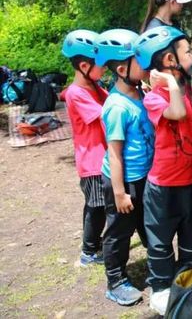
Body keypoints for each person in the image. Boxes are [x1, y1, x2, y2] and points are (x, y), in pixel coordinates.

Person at [134, 26, 192, 315]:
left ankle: (189, 279)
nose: (191, 56)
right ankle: (160, 288)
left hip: (191, 181)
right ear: (170, 60)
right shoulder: (154, 96)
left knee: (191, 237)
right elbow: (178, 113)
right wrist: (169, 83)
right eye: (187, 52)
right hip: (164, 186)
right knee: (160, 242)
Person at [96, 29, 154, 306]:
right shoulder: (117, 107)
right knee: (119, 232)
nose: (147, 63)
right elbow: (115, 154)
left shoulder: (140, 93)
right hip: (123, 180)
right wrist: (119, 192)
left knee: (149, 223)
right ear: (122, 69)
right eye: (140, 60)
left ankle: (158, 266)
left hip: (143, 176)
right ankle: (115, 280)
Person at [60, 30, 108, 267]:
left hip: (103, 157)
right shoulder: (76, 93)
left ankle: (96, 246)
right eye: (101, 64)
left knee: (101, 205)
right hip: (93, 161)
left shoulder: (96, 87)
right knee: (96, 206)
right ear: (83, 65)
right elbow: (105, 116)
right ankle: (89, 251)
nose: (106, 68)